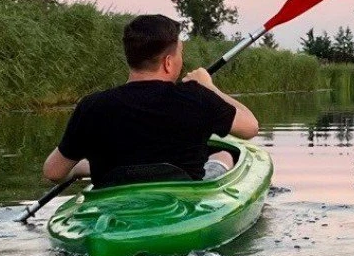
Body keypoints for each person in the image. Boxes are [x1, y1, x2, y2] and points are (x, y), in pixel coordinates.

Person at [42, 14, 260, 188]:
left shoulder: (92, 106)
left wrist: (84, 167)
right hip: (183, 206)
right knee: (223, 154)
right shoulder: (197, 98)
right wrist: (210, 87)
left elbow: (53, 172)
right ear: (167, 62)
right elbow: (250, 127)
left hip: (115, 208)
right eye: (179, 54)